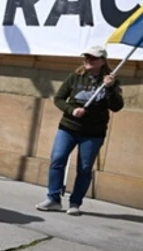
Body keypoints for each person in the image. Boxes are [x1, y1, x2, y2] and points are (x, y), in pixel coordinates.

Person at [36, 45, 124, 216]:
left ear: (103, 61)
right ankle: (53, 199)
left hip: (93, 133)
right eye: (86, 57)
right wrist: (71, 110)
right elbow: (59, 98)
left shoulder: (111, 81)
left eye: (93, 58)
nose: (88, 60)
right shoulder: (75, 77)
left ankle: (75, 203)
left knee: (84, 168)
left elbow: (117, 107)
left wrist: (109, 88)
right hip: (68, 127)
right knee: (57, 159)